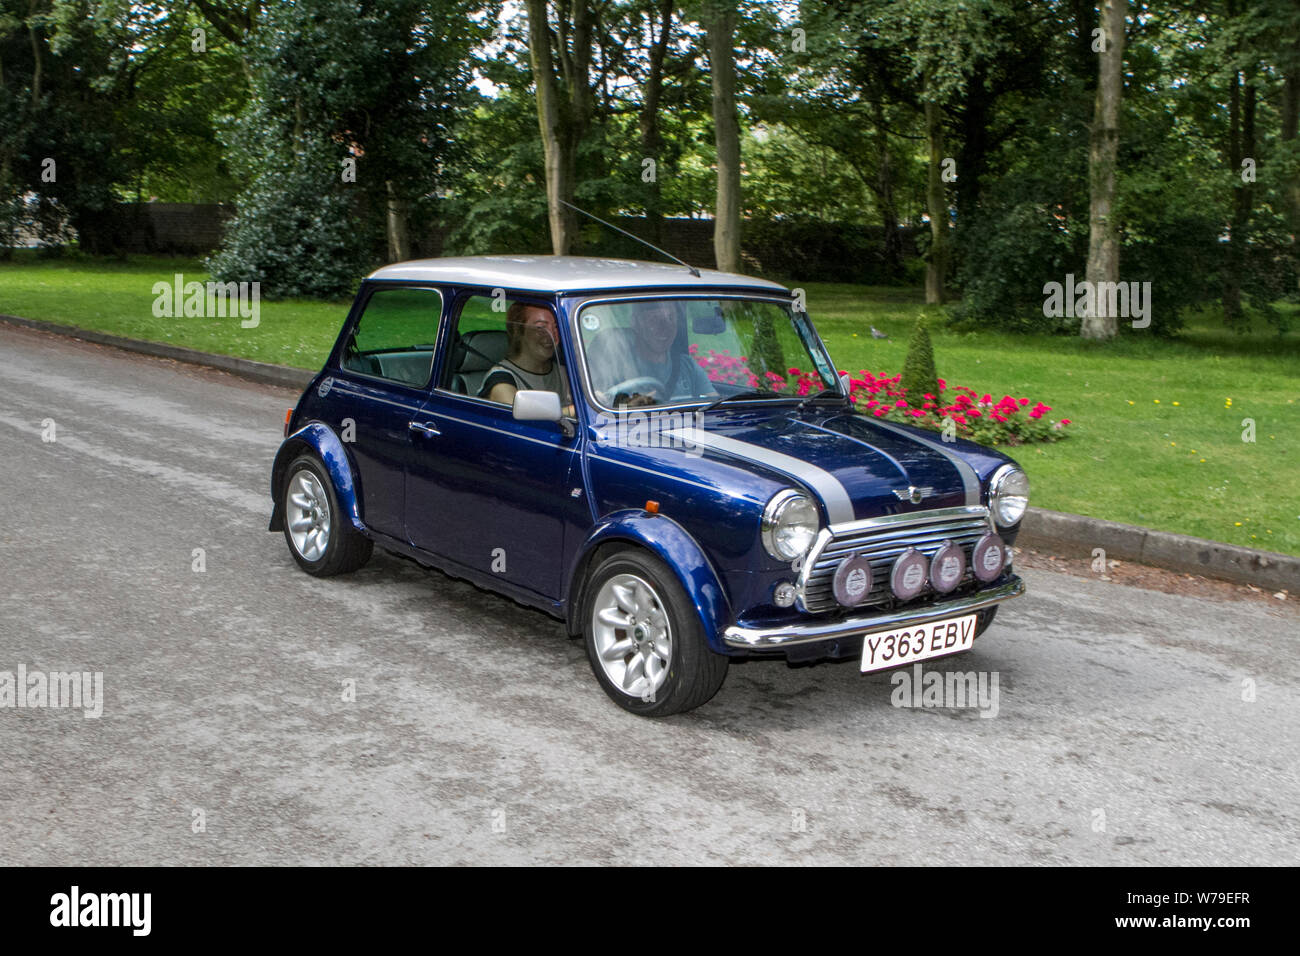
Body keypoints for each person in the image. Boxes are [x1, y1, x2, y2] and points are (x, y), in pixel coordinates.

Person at [594, 300, 714, 407]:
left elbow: (715, 405)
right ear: (635, 323)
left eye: (671, 318)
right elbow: (589, 407)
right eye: (654, 320)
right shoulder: (613, 369)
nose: (665, 327)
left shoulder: (688, 367)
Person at [480, 302, 574, 415]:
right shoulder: (501, 379)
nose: (552, 336)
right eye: (540, 327)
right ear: (518, 330)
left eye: (556, 327)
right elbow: (518, 420)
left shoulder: (565, 373)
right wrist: (572, 411)